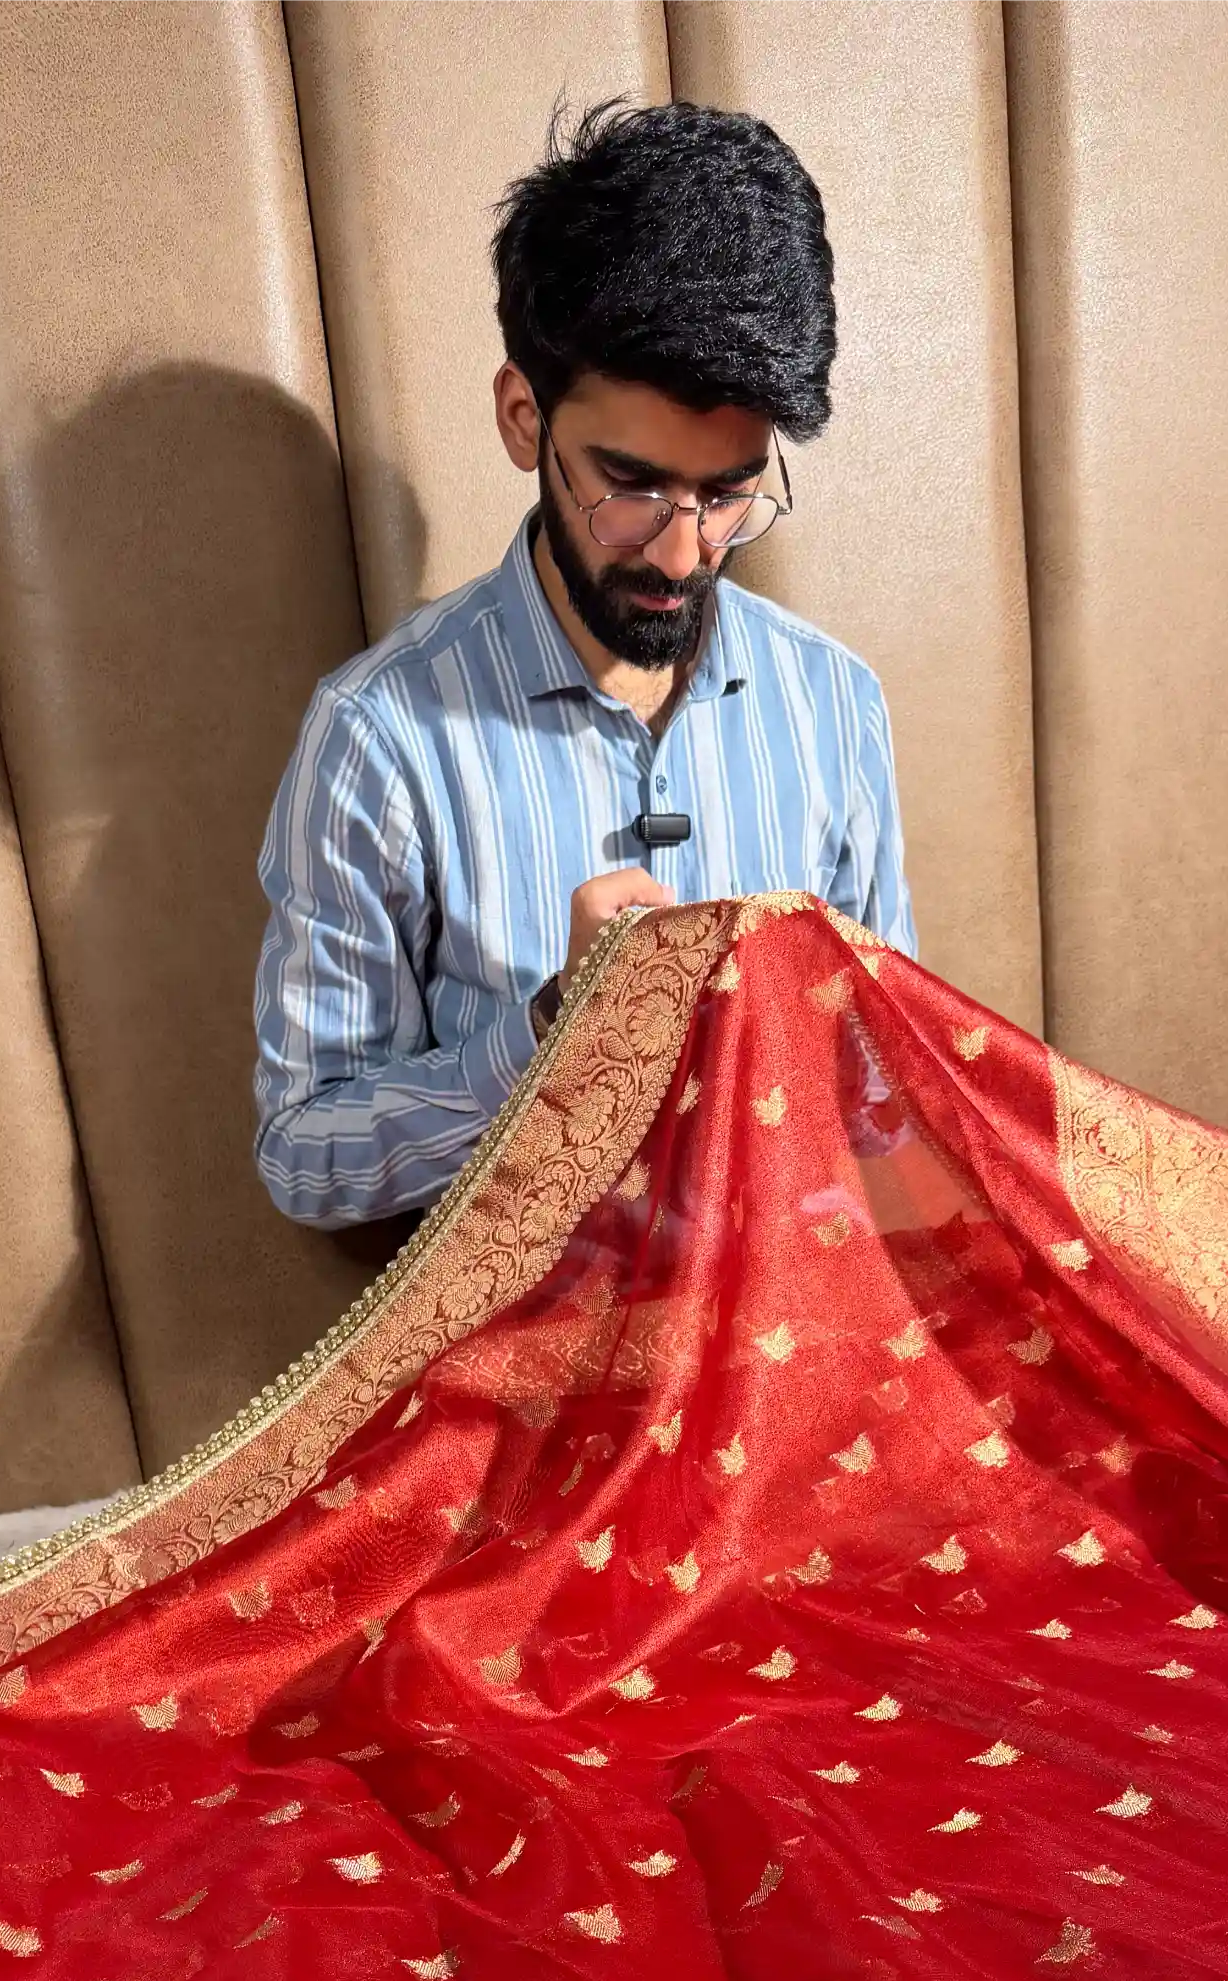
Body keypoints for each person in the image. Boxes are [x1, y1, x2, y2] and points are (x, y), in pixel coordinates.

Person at [251, 99, 914, 1228]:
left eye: (728, 491)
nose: (683, 547)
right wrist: (552, 1030)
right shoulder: (379, 737)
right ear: (524, 418)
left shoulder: (833, 703)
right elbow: (306, 1158)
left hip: (800, 1322)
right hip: (542, 1371)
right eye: (632, 484)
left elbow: (888, 1082)